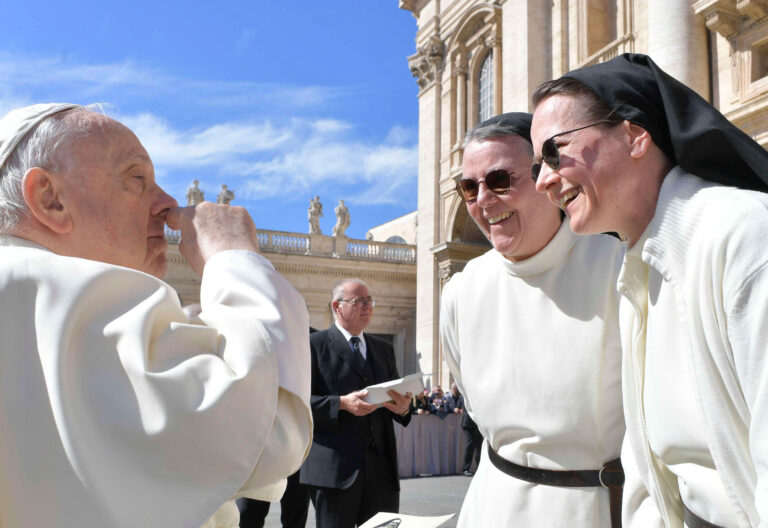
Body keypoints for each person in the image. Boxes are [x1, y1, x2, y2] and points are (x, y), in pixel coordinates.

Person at [0, 103, 312, 528]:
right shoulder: (66, 294)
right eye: (137, 179)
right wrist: (234, 258)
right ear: (49, 199)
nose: (167, 203)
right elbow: (268, 429)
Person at [531, 53, 768, 528]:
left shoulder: (746, 234)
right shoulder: (635, 266)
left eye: (555, 152)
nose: (542, 182)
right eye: (537, 164)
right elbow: (646, 461)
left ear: (635, 136)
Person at [440, 112, 626, 527]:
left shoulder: (619, 268)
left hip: (595, 509)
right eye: (469, 187)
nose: (483, 200)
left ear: (546, 176)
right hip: (491, 506)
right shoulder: (460, 293)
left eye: (500, 180)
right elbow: (473, 402)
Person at [300, 278, 412, 528]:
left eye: (370, 301)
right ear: (337, 306)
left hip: (381, 472)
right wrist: (340, 403)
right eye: (359, 301)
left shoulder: (384, 349)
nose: (367, 306)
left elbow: (396, 398)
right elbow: (297, 403)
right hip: (335, 472)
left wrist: (404, 408)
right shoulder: (313, 345)